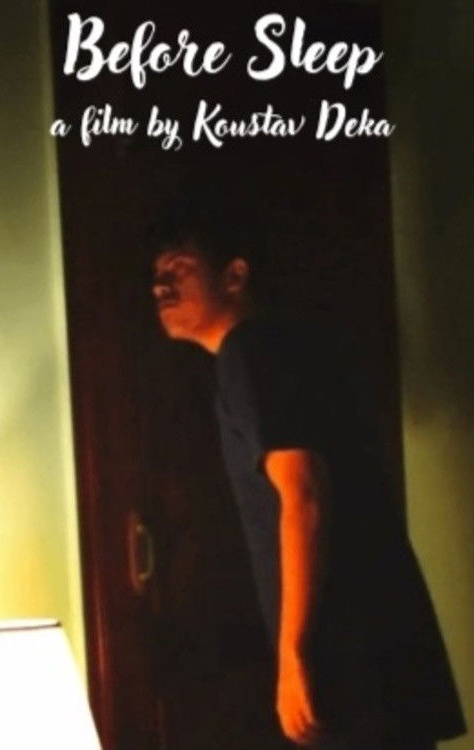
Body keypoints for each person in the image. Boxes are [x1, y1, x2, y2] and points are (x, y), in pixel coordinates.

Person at [149, 198, 466, 750]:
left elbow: (305, 493)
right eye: (157, 274)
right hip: (377, 651)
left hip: (350, 656)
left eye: (179, 268)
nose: (160, 286)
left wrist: (294, 655)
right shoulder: (276, 350)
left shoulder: (250, 352)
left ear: (234, 276)